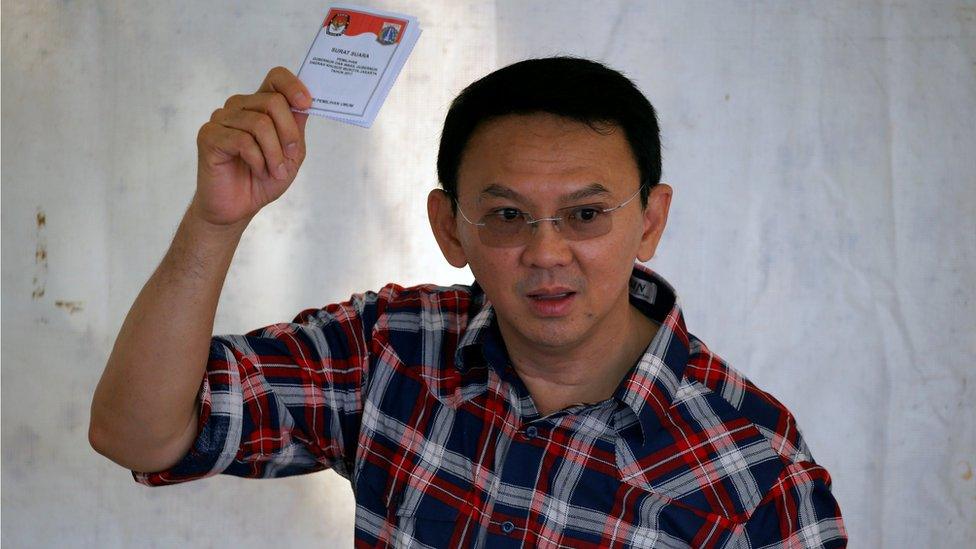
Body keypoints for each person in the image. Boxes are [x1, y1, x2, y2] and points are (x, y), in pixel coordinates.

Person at [90, 57, 847, 548]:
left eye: (586, 214)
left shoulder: (753, 465)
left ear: (649, 220)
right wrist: (215, 220)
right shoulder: (391, 346)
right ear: (450, 227)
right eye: (507, 215)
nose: (547, 253)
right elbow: (139, 433)